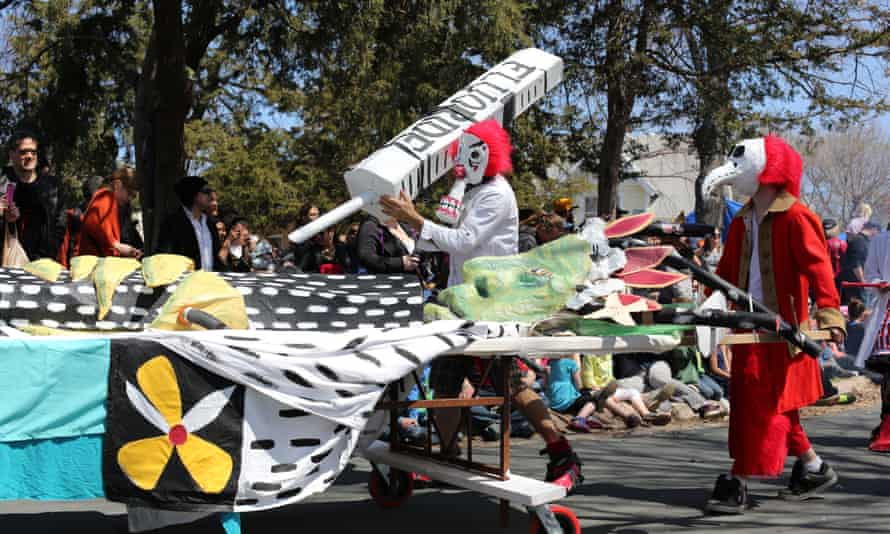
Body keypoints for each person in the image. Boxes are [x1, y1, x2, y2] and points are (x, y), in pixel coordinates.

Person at [379, 119, 583, 492]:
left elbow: (464, 240)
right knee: (443, 384)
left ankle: (562, 451)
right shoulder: (472, 190)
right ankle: (448, 455)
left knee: (512, 385)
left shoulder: (496, 194)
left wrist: (415, 220)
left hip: (491, 306)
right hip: (458, 303)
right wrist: (412, 225)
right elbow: (444, 239)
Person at [701, 135, 845, 513]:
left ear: (767, 168)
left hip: (785, 334)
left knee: (761, 407)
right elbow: (725, 274)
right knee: (772, 406)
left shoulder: (798, 216)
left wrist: (830, 316)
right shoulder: (741, 220)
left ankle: (739, 479)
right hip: (746, 328)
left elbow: (820, 270)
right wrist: (707, 312)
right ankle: (814, 467)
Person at [856, 215, 890, 452]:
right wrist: (880, 283)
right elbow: (870, 274)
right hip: (886, 312)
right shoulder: (881, 241)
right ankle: (886, 422)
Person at [2, 130, 63, 260]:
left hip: (44, 263)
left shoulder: (52, 186)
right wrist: (6, 220)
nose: (29, 156)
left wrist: (53, 250)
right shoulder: (4, 184)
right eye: (23, 152)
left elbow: (60, 222)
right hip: (9, 262)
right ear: (12, 155)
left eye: (33, 152)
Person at [74, 168, 144, 259]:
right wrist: (118, 246)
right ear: (118, 185)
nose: (131, 198)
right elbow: (94, 227)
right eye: (130, 193)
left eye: (134, 196)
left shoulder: (112, 200)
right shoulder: (105, 197)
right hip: (92, 262)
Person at [157, 176, 222, 271]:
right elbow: (165, 258)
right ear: (194, 194)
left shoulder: (210, 223)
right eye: (206, 191)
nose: (210, 195)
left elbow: (216, 256)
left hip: (210, 282)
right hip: (185, 283)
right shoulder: (172, 223)